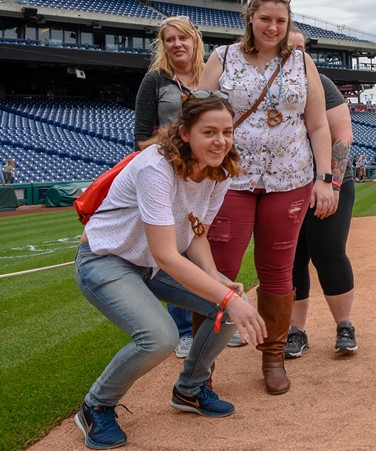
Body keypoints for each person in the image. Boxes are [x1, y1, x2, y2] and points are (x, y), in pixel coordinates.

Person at [73, 94, 266, 450]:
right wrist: (221, 292)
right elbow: (166, 255)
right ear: (185, 132)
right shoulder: (155, 167)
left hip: (151, 262)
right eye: (209, 131)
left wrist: (217, 280)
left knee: (226, 305)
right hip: (106, 259)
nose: (221, 141)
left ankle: (189, 390)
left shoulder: (219, 170)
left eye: (227, 131)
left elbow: (195, 233)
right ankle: (95, 405)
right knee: (160, 337)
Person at [199, 0, 337, 396]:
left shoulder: (301, 62)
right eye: (265, 19)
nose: (273, 27)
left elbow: (317, 124)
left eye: (281, 20)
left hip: (289, 179)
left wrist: (325, 179)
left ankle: (273, 357)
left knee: (278, 269)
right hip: (230, 180)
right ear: (250, 19)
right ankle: (201, 367)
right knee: (216, 273)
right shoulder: (222, 58)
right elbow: (198, 117)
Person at [134, 15, 229, 359]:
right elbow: (142, 137)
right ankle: (184, 330)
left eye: (183, 38)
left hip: (205, 175)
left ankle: (218, 314)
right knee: (174, 248)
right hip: (169, 174)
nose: (177, 45)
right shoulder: (155, 80)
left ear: (195, 41)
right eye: (169, 39)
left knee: (205, 240)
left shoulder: (213, 76)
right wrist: (179, 141)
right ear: (163, 45)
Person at [284, 29, 358, 359]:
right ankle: (295, 330)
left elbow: (342, 136)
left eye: (302, 49)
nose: (298, 55)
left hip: (327, 180)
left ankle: (344, 324)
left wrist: (333, 183)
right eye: (290, 48)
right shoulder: (269, 87)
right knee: (291, 257)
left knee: (328, 251)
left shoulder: (322, 83)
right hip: (284, 184)